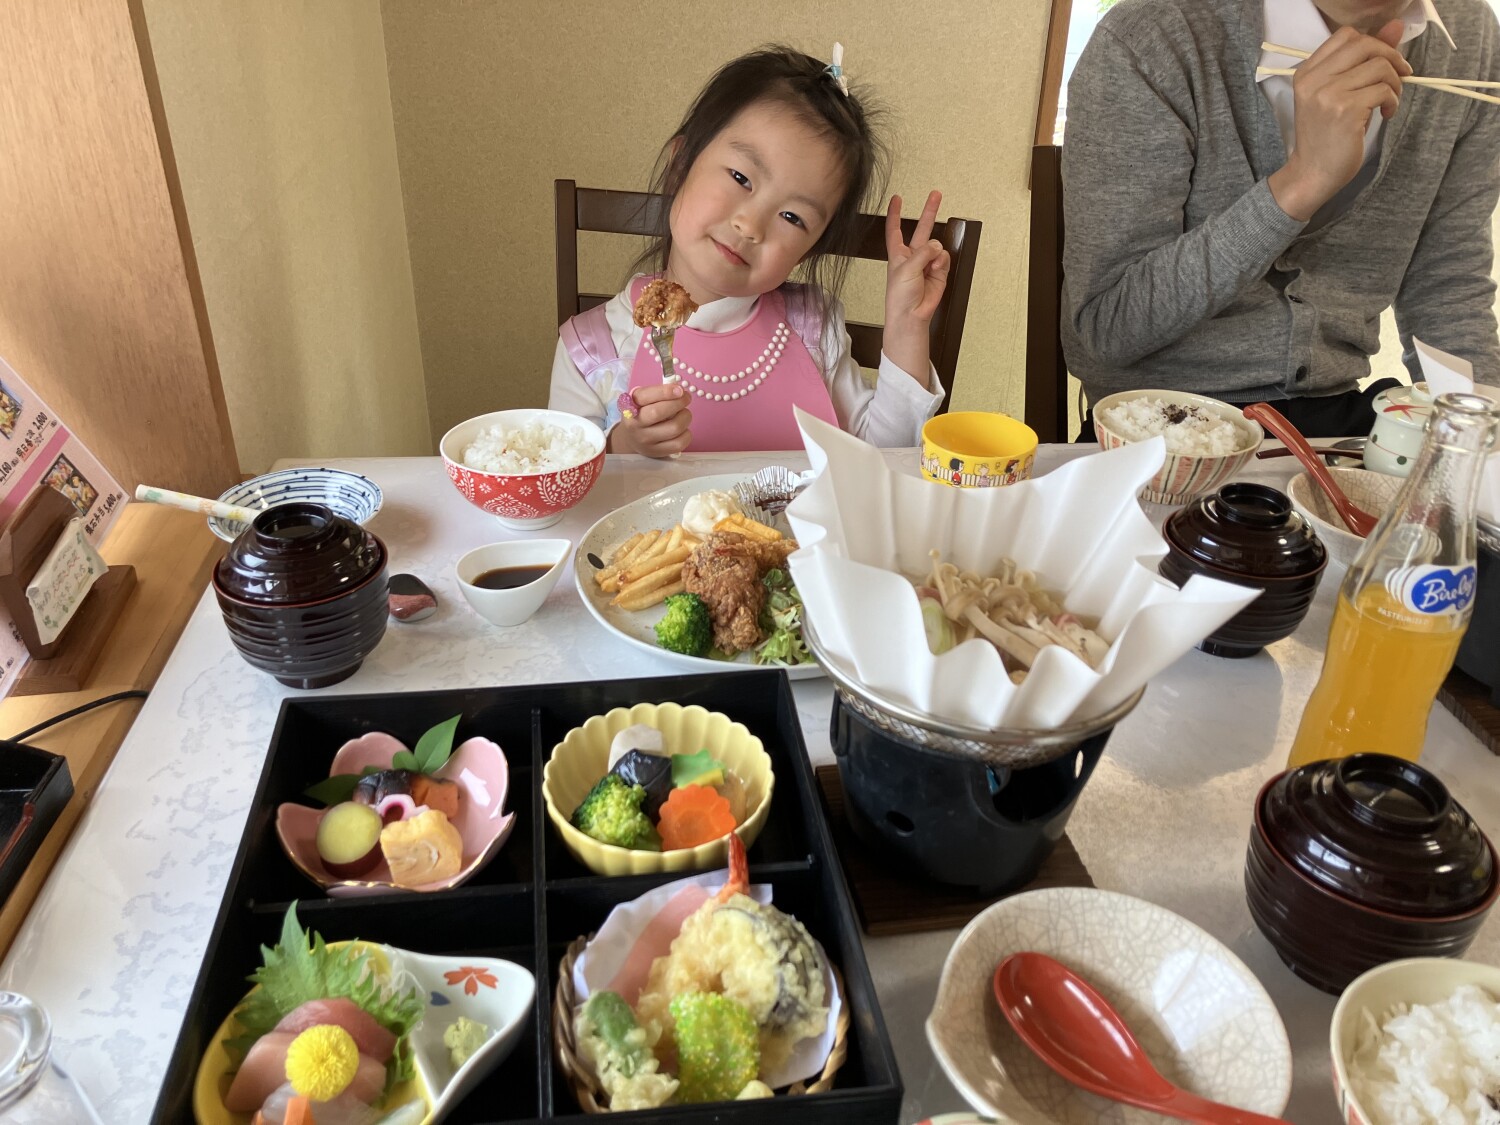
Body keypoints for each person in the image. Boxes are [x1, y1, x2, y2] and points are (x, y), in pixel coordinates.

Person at [1061, 0, 1500, 437]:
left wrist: (1478, 438)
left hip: (1335, 419)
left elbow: (1448, 287)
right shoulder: (1151, 36)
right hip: (1154, 424)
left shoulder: (1470, 37)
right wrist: (1302, 182)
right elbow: (1108, 326)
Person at [548, 46, 950, 455]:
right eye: (741, 177)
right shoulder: (595, 351)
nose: (751, 225)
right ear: (680, 166)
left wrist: (906, 326)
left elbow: (885, 455)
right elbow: (560, 475)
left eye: (792, 217)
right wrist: (622, 446)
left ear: (807, 251)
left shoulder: (813, 331)